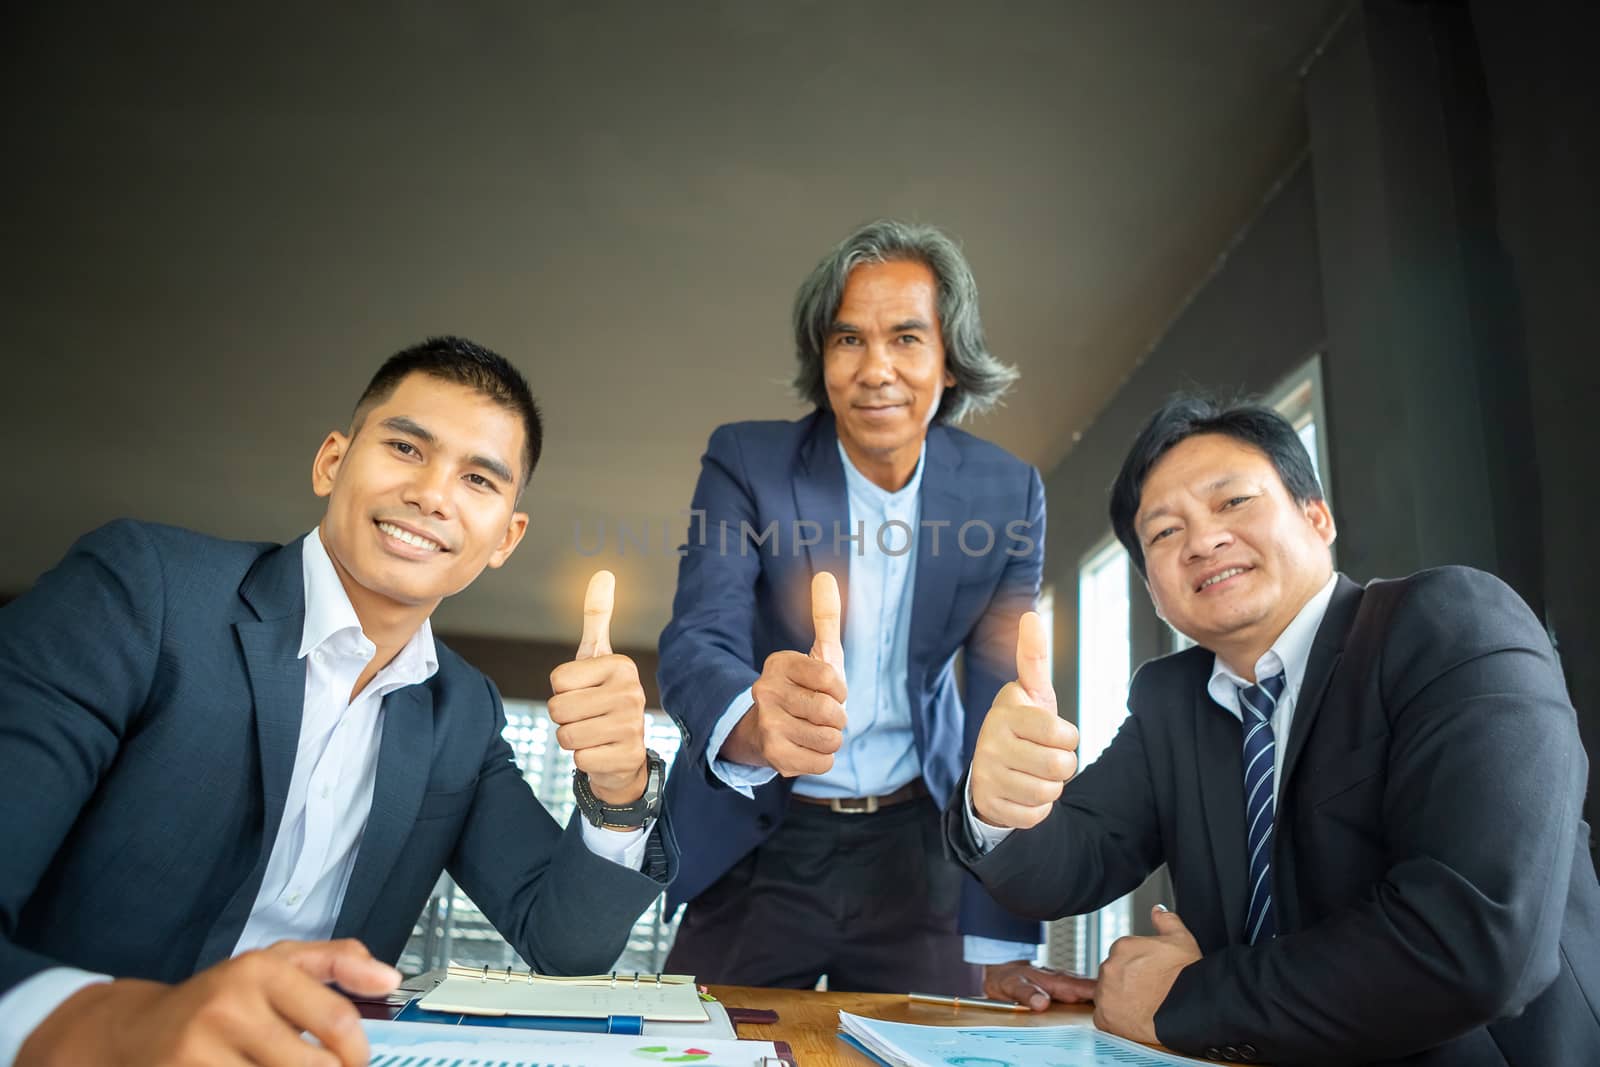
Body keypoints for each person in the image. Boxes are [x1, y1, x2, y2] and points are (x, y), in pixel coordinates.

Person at [0, 337, 676, 1067]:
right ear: (332, 461)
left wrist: (618, 790)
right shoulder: (141, 592)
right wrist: (109, 1026)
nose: (434, 495)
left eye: (479, 479)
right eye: (407, 448)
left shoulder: (464, 716)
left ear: (506, 537)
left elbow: (564, 944)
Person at [950, 395, 1600, 1064]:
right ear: (1153, 589)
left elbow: (1473, 943)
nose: (1202, 540)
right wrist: (995, 802)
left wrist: (1182, 1000)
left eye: (1233, 502)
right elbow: (1072, 858)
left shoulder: (1449, 626)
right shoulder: (1169, 701)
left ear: (1316, 516)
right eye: (1165, 533)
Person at [658, 219, 1046, 994]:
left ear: (949, 360)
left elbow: (999, 706)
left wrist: (1001, 932)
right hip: (766, 831)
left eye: (906, 338)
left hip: (918, 841)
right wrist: (754, 723)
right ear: (821, 356)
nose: (876, 370)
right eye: (848, 340)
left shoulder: (1008, 494)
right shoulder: (746, 461)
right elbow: (699, 637)